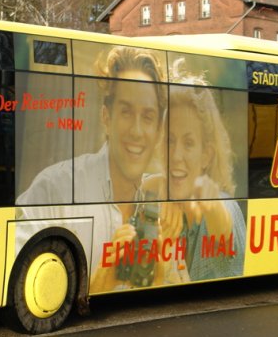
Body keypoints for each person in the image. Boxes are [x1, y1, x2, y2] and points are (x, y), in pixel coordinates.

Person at [15, 46, 167, 293]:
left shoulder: (163, 201)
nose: (137, 131)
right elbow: (16, 280)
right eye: (126, 112)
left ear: (159, 130)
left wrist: (159, 280)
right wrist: (97, 282)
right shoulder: (54, 188)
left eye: (148, 117)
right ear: (106, 116)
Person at [154, 59, 245, 284]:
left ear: (206, 155)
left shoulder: (223, 204)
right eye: (170, 140)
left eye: (189, 143)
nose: (175, 156)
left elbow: (222, 223)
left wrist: (206, 203)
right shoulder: (156, 204)